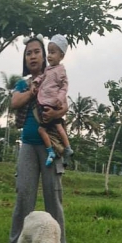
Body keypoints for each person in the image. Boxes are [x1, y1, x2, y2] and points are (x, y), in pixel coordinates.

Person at [0, 35, 72, 243]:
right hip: (28, 144)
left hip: (51, 144)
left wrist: (58, 111)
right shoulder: (24, 82)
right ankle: (15, 241)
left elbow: (64, 103)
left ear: (46, 55)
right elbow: (14, 102)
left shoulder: (55, 74)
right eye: (28, 53)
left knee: (53, 194)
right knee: (24, 193)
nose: (33, 56)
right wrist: (34, 88)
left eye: (37, 52)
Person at [33, 34, 73, 167]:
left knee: (44, 129)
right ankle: (67, 149)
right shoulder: (48, 69)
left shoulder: (61, 71)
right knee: (57, 126)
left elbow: (64, 87)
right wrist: (36, 82)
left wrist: (59, 99)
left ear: (61, 56)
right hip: (44, 102)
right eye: (48, 52)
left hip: (52, 103)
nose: (49, 56)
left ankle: (56, 150)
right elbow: (42, 77)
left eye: (53, 53)